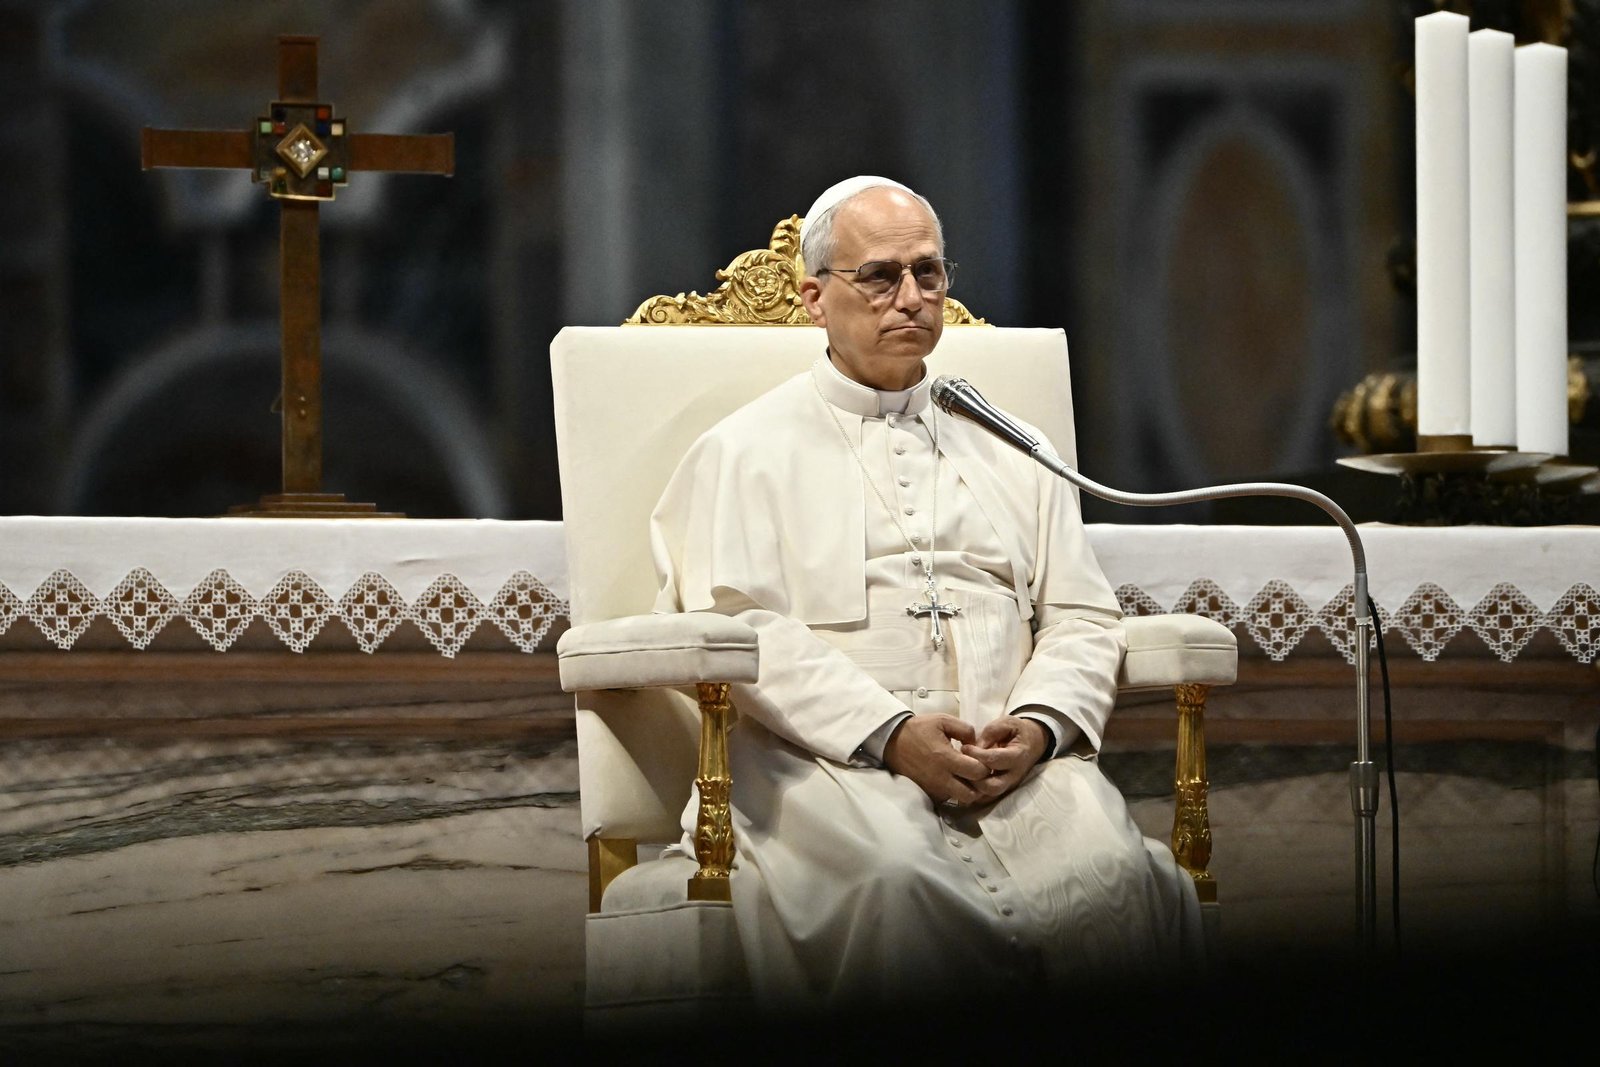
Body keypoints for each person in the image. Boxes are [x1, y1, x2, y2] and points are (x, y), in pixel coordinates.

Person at [649, 176, 1202, 1014]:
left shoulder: (1018, 448)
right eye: (880, 276)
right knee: (898, 882)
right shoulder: (744, 452)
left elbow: (1084, 614)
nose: (911, 297)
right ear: (813, 298)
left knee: (1115, 878)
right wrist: (893, 734)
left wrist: (1044, 726)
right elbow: (736, 628)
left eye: (930, 273)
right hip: (824, 770)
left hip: (1012, 770)